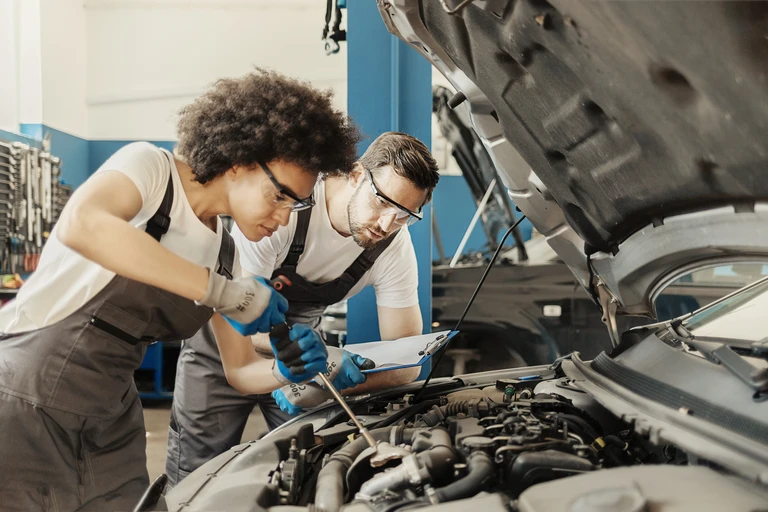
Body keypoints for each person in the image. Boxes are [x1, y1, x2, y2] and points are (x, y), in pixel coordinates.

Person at [0, 69, 361, 511]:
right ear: (241, 161)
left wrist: (287, 370)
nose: (285, 217)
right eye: (280, 195)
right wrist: (221, 293)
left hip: (111, 415)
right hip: (27, 395)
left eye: (296, 204)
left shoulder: (224, 253)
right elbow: (84, 224)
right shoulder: (151, 170)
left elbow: (239, 371)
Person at [166, 132, 440, 486]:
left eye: (404, 215)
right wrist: (322, 361)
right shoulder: (286, 207)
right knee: (195, 473)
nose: (387, 224)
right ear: (356, 174)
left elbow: (406, 357)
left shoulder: (392, 247)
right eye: (382, 202)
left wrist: (330, 381)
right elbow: (244, 314)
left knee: (311, 467)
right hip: (223, 347)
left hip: (305, 356)